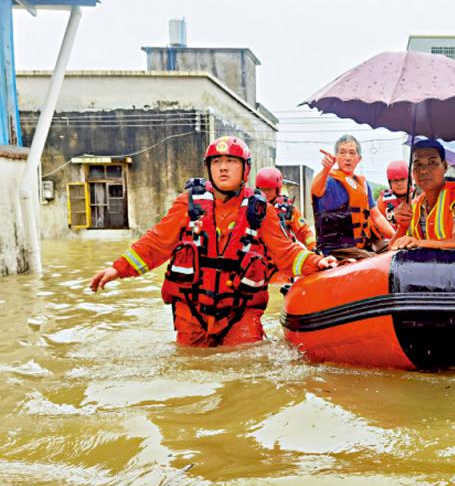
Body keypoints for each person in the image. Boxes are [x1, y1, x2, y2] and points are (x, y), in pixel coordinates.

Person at [89, 136, 337, 347]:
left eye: (231, 161)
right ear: (209, 168)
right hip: (192, 311)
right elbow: (156, 243)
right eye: (217, 162)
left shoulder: (259, 210)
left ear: (244, 169)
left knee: (247, 370)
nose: (223, 168)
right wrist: (118, 268)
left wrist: (318, 262)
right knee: (192, 372)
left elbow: (286, 252)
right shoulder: (188, 203)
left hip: (241, 312)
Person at [311, 134, 395, 259]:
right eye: (342, 153)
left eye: (352, 153)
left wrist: (396, 237)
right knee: (373, 260)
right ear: (336, 157)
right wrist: (325, 169)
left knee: (395, 249)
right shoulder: (329, 181)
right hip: (338, 249)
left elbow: (376, 216)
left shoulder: (363, 185)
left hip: (362, 245)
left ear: (359, 159)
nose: (347, 158)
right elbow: (316, 190)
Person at [390, 139, 455, 250]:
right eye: (418, 164)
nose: (423, 171)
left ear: (444, 166)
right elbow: (392, 250)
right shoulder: (414, 206)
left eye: (432, 162)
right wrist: (403, 227)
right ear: (412, 172)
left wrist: (418, 243)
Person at [255, 167, 317, 251]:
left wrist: (312, 247)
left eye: (269, 189)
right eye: (263, 189)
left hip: (283, 253)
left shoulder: (288, 209)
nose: (265, 193)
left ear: (277, 189)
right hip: (260, 255)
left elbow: (303, 230)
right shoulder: (252, 208)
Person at [377, 160, 411, 229]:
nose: (399, 183)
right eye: (395, 180)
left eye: (403, 179)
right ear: (390, 183)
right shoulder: (382, 200)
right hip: (391, 238)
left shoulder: (417, 196)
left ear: (409, 180)